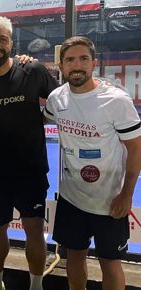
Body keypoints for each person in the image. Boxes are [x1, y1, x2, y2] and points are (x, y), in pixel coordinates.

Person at [0, 16, 59, 290]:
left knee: (34, 230)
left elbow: (60, 100)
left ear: (12, 43)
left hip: (31, 169)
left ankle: (36, 285)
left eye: (2, 39)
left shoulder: (34, 71)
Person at [43, 36, 141, 290]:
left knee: (110, 262)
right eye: (70, 60)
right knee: (74, 255)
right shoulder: (56, 99)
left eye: (83, 58)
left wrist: (126, 194)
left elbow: (135, 148)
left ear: (94, 63)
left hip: (110, 202)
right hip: (71, 198)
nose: (77, 65)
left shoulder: (117, 100)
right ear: (61, 66)